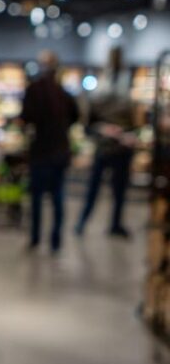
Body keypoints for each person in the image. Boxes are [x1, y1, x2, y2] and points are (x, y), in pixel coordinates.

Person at [19, 50, 79, 251]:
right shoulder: (64, 93)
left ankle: (36, 238)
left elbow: (25, 118)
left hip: (41, 151)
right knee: (57, 196)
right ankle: (55, 240)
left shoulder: (34, 91)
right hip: (60, 151)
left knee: (37, 197)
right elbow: (75, 118)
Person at [75, 47, 137, 238]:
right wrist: (104, 130)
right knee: (94, 190)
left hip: (121, 150)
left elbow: (133, 123)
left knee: (118, 193)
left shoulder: (125, 87)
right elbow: (89, 125)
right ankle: (82, 222)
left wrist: (127, 135)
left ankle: (114, 224)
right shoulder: (102, 88)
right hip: (104, 149)